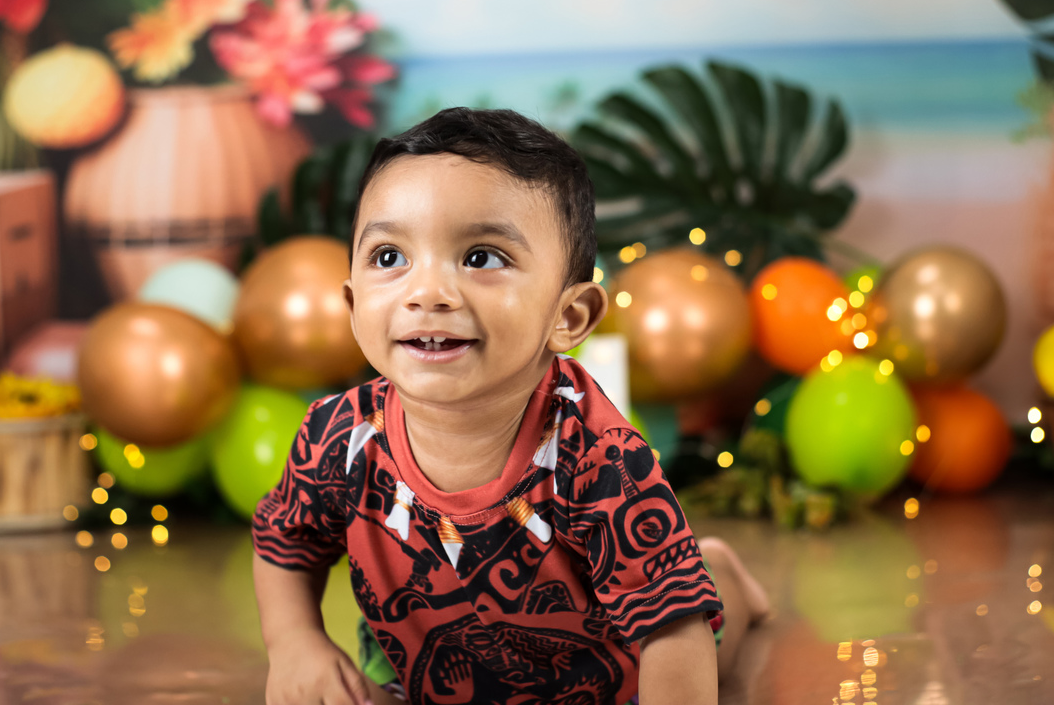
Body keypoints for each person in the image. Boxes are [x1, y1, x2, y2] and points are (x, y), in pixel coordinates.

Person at [251, 108, 769, 705]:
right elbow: (285, 541)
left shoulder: (597, 458)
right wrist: (295, 643)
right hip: (421, 671)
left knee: (703, 635)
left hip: (610, 683)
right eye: (389, 257)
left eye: (481, 258)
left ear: (568, 316)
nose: (426, 294)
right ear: (351, 304)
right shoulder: (338, 436)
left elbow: (671, 633)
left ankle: (720, 575)